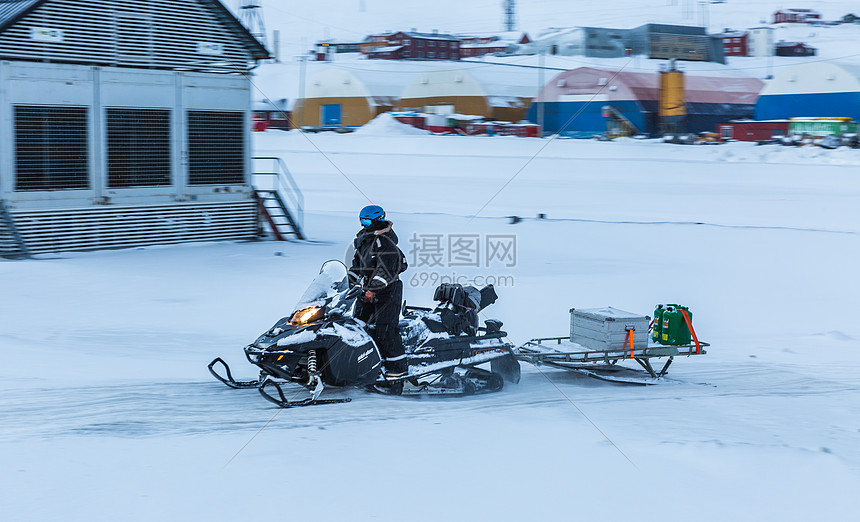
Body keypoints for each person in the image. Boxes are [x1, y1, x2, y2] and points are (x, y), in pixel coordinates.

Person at [348, 205, 408, 379]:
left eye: (366, 221)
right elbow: (357, 266)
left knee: (385, 329)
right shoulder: (363, 240)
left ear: (377, 220)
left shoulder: (385, 241)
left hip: (388, 291)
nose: (363, 225)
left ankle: (398, 369)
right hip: (367, 291)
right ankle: (365, 364)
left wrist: (372, 290)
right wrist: (346, 282)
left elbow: (386, 271)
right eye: (361, 221)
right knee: (359, 326)